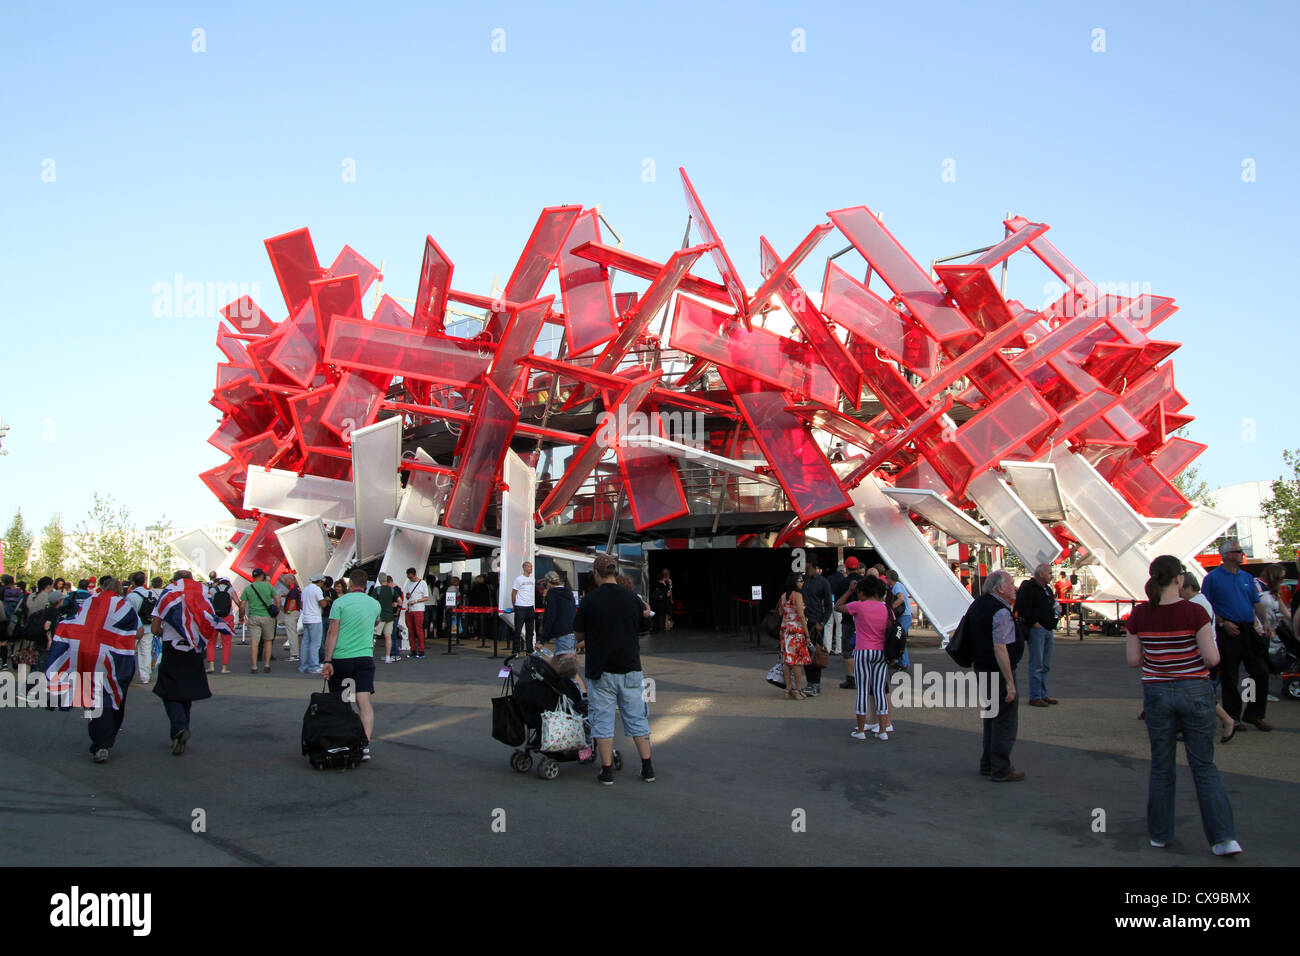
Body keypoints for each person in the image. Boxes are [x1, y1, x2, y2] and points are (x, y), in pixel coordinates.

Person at [1126, 555, 1241, 855]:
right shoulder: (1194, 613)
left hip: (1156, 692)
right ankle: (1223, 839)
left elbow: (1133, 660)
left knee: (1162, 766)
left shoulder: (1139, 615)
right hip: (1194, 690)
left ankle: (1160, 834)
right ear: (1179, 579)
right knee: (1203, 766)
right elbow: (1212, 658)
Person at [574, 553, 654, 785]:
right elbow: (644, 626)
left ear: (596, 573)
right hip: (630, 667)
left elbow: (578, 633)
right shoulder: (632, 597)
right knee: (637, 718)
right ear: (615, 572)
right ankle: (647, 767)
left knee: (603, 720)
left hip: (601, 669)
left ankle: (607, 770)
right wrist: (645, 613)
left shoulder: (590, 600)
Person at [45, 576, 140, 763]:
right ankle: (105, 741)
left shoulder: (89, 601)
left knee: (92, 695)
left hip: (84, 652)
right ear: (119, 590)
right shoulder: (123, 606)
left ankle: (101, 740)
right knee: (112, 695)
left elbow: (74, 621)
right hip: (110, 657)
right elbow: (137, 631)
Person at [152, 570, 232, 756]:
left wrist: (168, 633)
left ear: (175, 580)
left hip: (173, 648)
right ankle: (181, 730)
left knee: (169, 692)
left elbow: (156, 627)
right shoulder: (204, 593)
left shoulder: (169, 593)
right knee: (186, 692)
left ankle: (179, 728)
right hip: (195, 649)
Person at [1201, 538, 1274, 732]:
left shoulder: (1246, 577)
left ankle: (1253, 713)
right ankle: (1233, 717)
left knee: (1259, 671)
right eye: (1238, 551)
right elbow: (1205, 605)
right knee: (1230, 675)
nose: (1242, 554)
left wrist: (1264, 621)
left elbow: (1255, 603)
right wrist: (1223, 622)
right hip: (1228, 630)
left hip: (1247, 629)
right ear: (1226, 555)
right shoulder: (1213, 578)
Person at [970, 569, 1025, 781]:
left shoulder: (978, 604)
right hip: (997, 669)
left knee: (991, 716)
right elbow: (1000, 647)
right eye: (1011, 584)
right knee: (1004, 719)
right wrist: (1010, 681)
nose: (1014, 588)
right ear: (1000, 587)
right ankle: (1001, 767)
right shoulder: (1000, 611)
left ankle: (988, 763)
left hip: (982, 667)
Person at [321, 569, 382, 761]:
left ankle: (343, 740)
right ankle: (365, 745)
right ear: (365, 585)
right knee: (364, 702)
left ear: (351, 584)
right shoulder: (374, 604)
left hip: (342, 658)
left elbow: (333, 631)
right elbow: (376, 623)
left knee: (343, 700)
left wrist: (327, 660)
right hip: (365, 657)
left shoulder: (340, 602)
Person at [837, 575, 893, 738]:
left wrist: (849, 591)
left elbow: (838, 606)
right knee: (880, 690)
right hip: (881, 652)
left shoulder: (858, 606)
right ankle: (883, 730)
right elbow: (891, 629)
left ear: (864, 592)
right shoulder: (886, 609)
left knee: (862, 690)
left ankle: (860, 730)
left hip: (862, 651)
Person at [1180, 575, 1235, 741]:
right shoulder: (1201, 601)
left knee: (1198, 692)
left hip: (1199, 654)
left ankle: (1225, 720)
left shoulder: (1196, 604)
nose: (1179, 593)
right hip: (1205, 652)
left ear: (1190, 587)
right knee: (1198, 691)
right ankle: (1224, 720)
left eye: (1181, 589)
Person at [1015, 564, 1060, 707]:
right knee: (1037, 663)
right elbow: (1022, 606)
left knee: (1045, 664)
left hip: (1047, 628)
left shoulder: (1047, 589)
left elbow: (1051, 605)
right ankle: (1035, 695)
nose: (1051, 575)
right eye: (1049, 573)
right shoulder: (1029, 587)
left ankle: (1041, 693)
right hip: (1038, 629)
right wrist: (1034, 623)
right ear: (1040, 574)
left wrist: (1056, 613)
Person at [776, 573, 812, 700]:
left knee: (787, 661)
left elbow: (781, 612)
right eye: (800, 580)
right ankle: (798, 689)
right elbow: (801, 616)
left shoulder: (783, 596)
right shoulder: (797, 595)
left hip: (785, 630)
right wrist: (807, 634)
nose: (802, 583)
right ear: (794, 582)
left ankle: (788, 689)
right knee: (797, 662)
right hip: (796, 630)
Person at [239, 568, 280, 673]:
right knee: (268, 641)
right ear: (262, 576)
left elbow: (242, 605)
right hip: (267, 617)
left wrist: (241, 616)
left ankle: (254, 666)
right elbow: (277, 599)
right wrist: (277, 612)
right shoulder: (268, 586)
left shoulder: (248, 588)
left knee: (254, 642)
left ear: (253, 577)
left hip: (253, 617)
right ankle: (266, 665)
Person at [802, 561, 833, 696]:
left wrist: (822, 622)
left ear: (811, 564)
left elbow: (829, 605)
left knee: (816, 653)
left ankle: (815, 683)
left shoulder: (822, 582)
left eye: (806, 563)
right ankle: (811, 683)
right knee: (805, 654)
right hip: (804, 622)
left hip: (815, 623)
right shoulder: (803, 580)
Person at [834, 557, 865, 689]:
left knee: (847, 649)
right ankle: (863, 676)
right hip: (863, 620)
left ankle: (851, 677)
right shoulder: (865, 582)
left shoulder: (842, 583)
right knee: (863, 648)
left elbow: (838, 602)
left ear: (846, 568)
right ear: (858, 567)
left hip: (847, 619)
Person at [124, 572, 157, 684]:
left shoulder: (131, 596)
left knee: (129, 652)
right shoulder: (150, 593)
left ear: (133, 582)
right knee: (146, 651)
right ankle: (145, 676)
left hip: (134, 628)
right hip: (148, 626)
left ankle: (128, 674)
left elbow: (128, 613)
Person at [885, 569, 913, 669]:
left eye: (886, 578)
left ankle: (904, 662)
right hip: (905, 616)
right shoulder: (897, 585)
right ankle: (899, 661)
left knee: (900, 639)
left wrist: (891, 608)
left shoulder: (897, 586)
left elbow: (901, 599)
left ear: (889, 578)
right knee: (898, 638)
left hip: (904, 616)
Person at [299, 574, 326, 674]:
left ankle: (303, 666)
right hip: (315, 619)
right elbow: (322, 604)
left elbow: (301, 605)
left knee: (305, 643)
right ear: (320, 581)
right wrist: (326, 601)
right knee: (315, 644)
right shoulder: (317, 589)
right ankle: (313, 666)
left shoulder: (305, 589)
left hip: (306, 618)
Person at [402, 567, 429, 659]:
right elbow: (406, 595)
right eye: (409, 577)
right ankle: (413, 650)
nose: (410, 579)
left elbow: (426, 597)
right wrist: (408, 596)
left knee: (419, 630)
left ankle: (421, 650)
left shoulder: (422, 583)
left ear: (415, 575)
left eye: (411, 577)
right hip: (410, 609)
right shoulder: (408, 583)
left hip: (419, 609)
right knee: (411, 630)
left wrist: (416, 601)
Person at [512, 561, 537, 654]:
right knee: (518, 630)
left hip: (530, 607)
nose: (531, 568)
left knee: (530, 630)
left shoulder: (532, 579)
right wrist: (514, 605)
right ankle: (515, 650)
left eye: (531, 566)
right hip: (520, 607)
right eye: (529, 567)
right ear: (524, 568)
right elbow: (514, 592)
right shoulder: (519, 579)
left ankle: (529, 649)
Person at [375, 574, 400, 662]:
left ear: (379, 580)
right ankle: (388, 657)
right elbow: (400, 601)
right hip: (390, 616)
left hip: (380, 617)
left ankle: (369, 656)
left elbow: (373, 602)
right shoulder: (392, 590)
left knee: (374, 636)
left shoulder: (377, 590)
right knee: (388, 636)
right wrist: (396, 608)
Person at [280, 574, 302, 662]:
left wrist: (288, 611)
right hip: (295, 612)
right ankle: (295, 654)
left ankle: (295, 654)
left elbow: (292, 601)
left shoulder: (293, 590)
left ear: (290, 580)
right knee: (293, 633)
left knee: (291, 634)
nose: (285, 582)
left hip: (291, 613)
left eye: (285, 580)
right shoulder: (295, 588)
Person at [650, 568, 673, 633]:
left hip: (666, 599)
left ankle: (666, 626)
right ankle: (660, 626)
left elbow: (670, 591)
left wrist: (671, 599)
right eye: (664, 574)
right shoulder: (659, 581)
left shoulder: (669, 581)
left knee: (667, 612)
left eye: (667, 574)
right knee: (660, 613)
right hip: (660, 600)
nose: (666, 575)